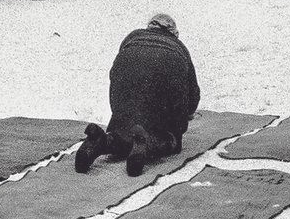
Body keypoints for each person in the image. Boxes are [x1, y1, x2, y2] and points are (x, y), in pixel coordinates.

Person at [76, 13, 201, 177]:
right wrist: (181, 118)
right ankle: (144, 144)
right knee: (169, 139)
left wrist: (122, 109)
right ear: (174, 33)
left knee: (121, 135)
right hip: (160, 103)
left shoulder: (133, 37)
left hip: (126, 104)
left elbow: (118, 76)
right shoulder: (178, 47)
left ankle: (100, 140)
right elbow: (193, 98)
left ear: (149, 26)